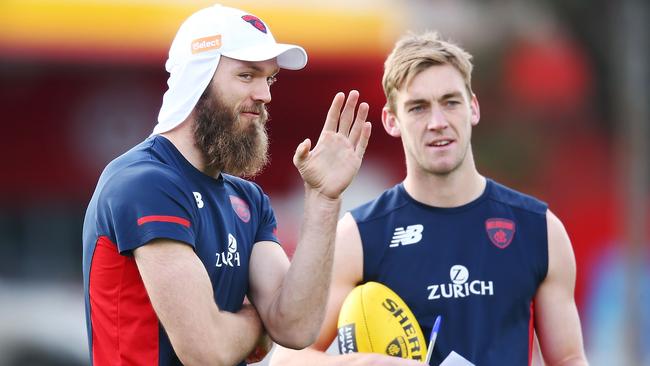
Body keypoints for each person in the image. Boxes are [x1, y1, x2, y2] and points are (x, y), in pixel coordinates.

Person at [271, 31, 588, 365]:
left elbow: (568, 359)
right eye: (418, 108)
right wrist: (375, 363)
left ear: (473, 109)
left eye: (450, 102)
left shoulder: (539, 229)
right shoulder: (361, 236)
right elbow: (288, 359)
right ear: (392, 121)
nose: (437, 123)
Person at [81, 4, 371, 366]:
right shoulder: (144, 183)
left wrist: (324, 200)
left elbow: (296, 328)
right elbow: (208, 351)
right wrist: (258, 321)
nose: (265, 95)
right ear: (197, 78)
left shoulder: (247, 198)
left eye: (270, 79)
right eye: (247, 75)